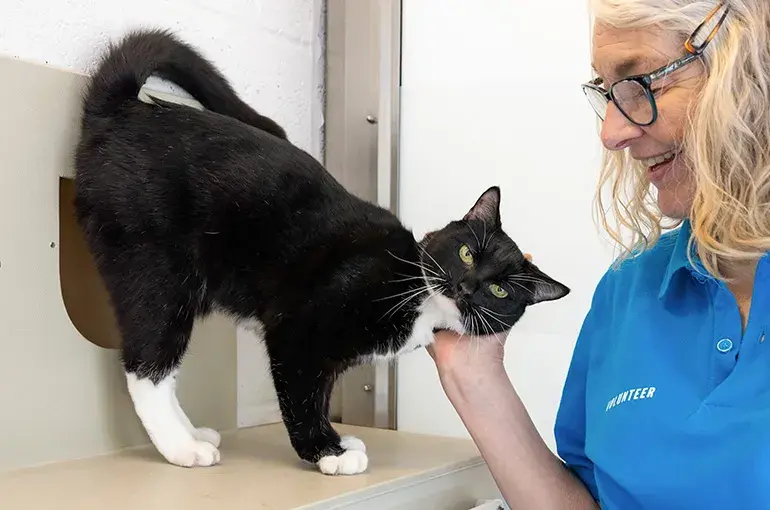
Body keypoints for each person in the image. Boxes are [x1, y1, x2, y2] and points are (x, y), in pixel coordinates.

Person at [429, 1, 770, 508]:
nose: (611, 133)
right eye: (608, 93)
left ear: (750, 66)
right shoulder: (631, 286)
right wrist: (474, 376)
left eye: (643, 84)